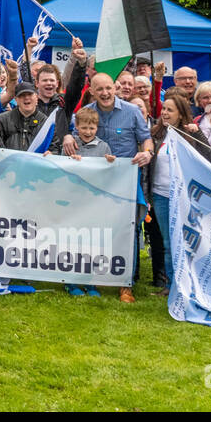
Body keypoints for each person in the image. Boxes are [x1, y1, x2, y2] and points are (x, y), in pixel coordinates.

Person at [62, 72, 153, 302]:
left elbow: (146, 138)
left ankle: (126, 284)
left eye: (108, 88)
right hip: (93, 186)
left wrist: (148, 152)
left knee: (128, 231)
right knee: (90, 231)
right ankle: (90, 277)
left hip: (125, 182)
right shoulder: (87, 114)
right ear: (91, 90)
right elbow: (75, 138)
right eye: (99, 89)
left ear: (116, 87)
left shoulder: (132, 112)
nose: (104, 93)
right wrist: (67, 137)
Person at [147, 96, 211, 294]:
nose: (165, 113)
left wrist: (198, 133)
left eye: (170, 110)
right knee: (168, 241)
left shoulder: (190, 134)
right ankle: (171, 284)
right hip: (160, 195)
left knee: (185, 242)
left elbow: (208, 156)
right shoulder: (156, 133)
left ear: (181, 114)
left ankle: (190, 282)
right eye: (164, 109)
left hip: (184, 197)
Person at [60, 106, 116, 296]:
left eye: (91, 128)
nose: (88, 132)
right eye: (84, 128)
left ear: (97, 128)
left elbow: (110, 174)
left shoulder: (104, 147)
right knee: (72, 242)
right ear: (76, 126)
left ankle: (90, 282)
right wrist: (70, 160)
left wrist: (110, 163)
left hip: (93, 204)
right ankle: (71, 281)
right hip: (73, 202)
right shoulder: (69, 144)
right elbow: (59, 169)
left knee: (92, 243)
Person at [0, 83, 51, 152]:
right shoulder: (3, 119)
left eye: (30, 94)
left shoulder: (45, 122)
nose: (26, 98)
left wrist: (50, 153)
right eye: (22, 95)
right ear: (16, 100)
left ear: (36, 97)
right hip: (11, 162)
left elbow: (54, 147)